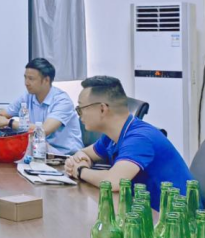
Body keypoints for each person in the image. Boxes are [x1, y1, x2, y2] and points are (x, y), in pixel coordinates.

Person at [64, 75, 194, 209]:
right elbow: (85, 153)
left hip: (179, 217)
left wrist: (80, 170)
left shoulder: (139, 139)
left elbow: (114, 181)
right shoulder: (112, 135)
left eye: (81, 108)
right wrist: (82, 160)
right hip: (144, 210)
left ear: (102, 109)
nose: (79, 114)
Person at [0, 57, 82, 155]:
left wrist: (9, 122)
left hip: (66, 156)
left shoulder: (62, 101)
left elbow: (43, 130)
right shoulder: (27, 96)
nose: (26, 83)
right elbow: (3, 114)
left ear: (46, 80)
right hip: (41, 152)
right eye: (25, 77)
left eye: (31, 79)